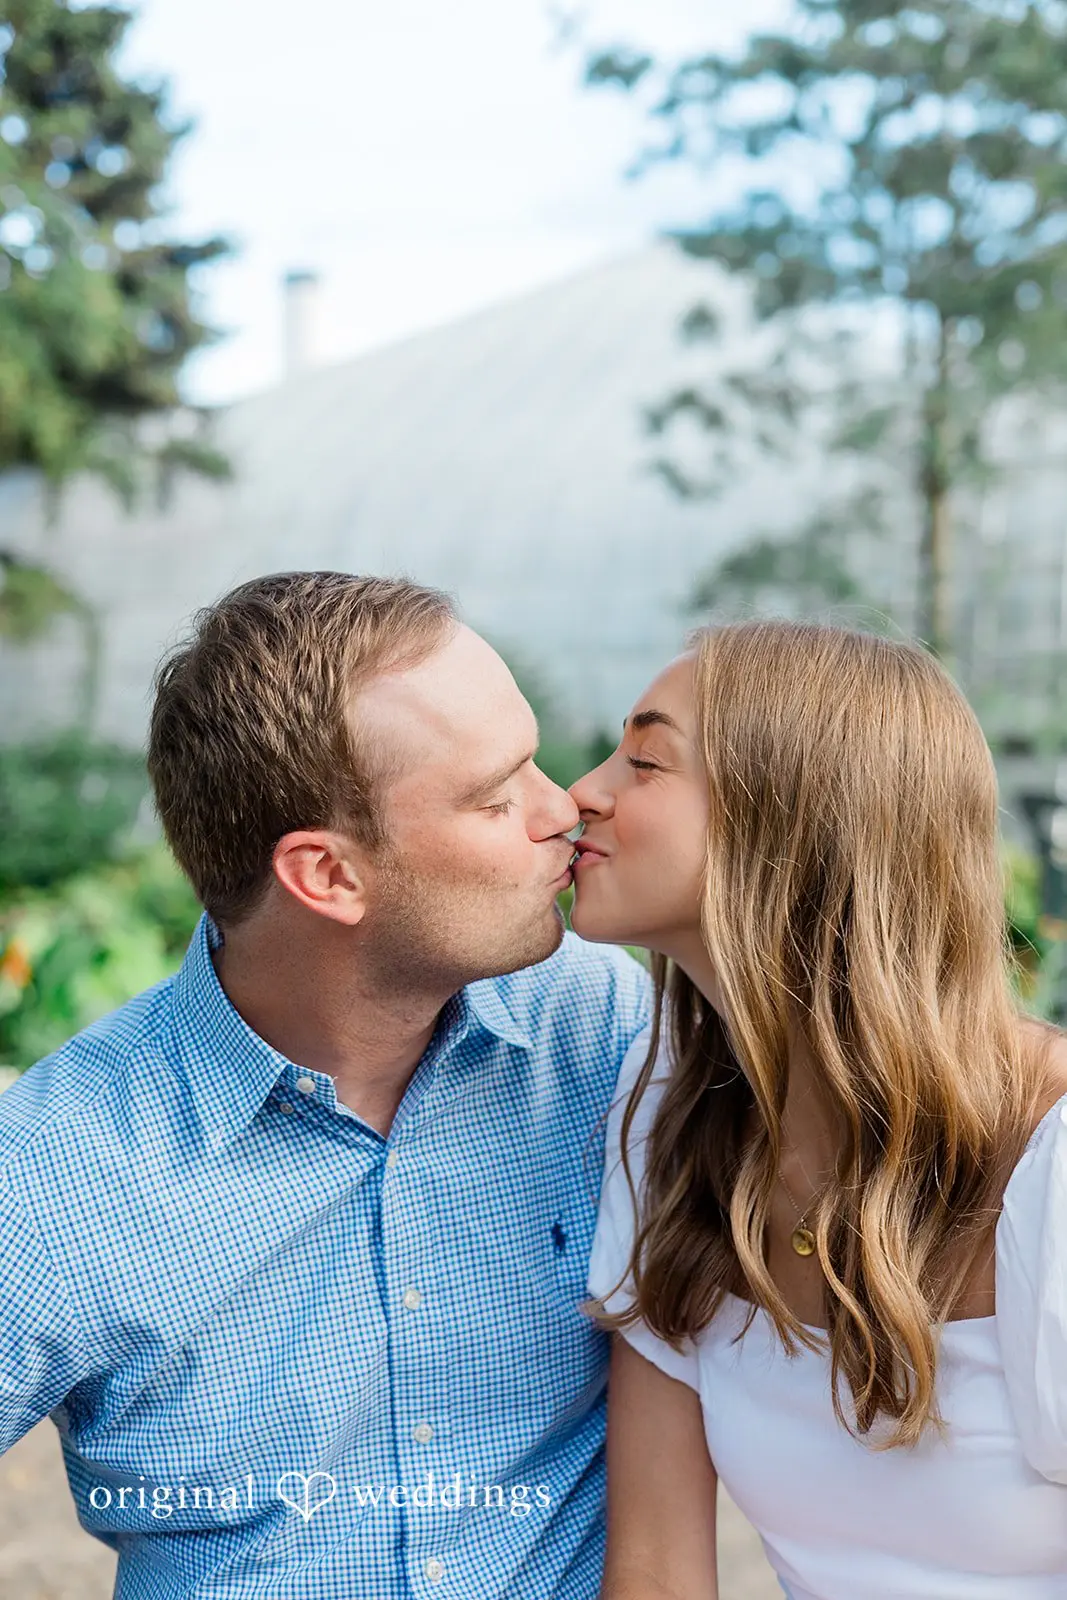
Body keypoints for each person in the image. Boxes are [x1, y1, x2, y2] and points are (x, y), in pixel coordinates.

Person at [0, 571, 650, 1600]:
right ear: (327, 875)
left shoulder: (606, 1032)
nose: (560, 807)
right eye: (495, 794)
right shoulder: (54, 1170)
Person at [570, 620, 1067, 1600]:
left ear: (789, 823)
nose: (581, 793)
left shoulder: (1047, 1159)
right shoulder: (669, 1104)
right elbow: (655, 1574)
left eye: (642, 760)